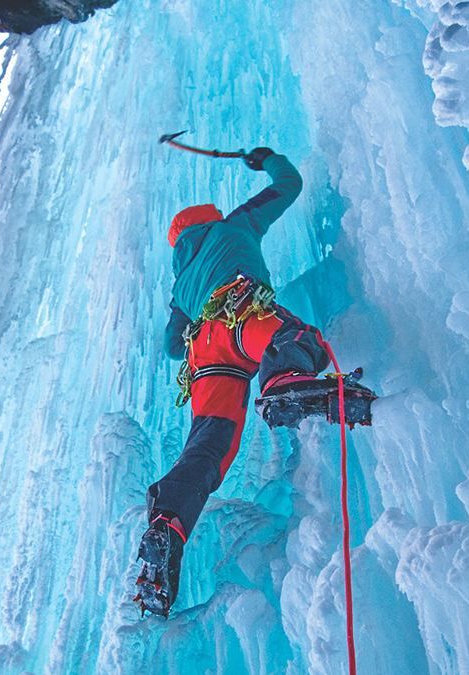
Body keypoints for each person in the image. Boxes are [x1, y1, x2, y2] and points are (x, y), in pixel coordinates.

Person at [134, 147, 342, 617]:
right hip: (239, 311)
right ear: (209, 217)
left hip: (204, 355)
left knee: (207, 449)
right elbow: (289, 187)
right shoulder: (235, 224)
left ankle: (168, 525)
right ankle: (285, 381)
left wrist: (187, 305)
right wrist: (267, 158)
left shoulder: (180, 285)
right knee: (292, 338)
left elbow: (171, 346)